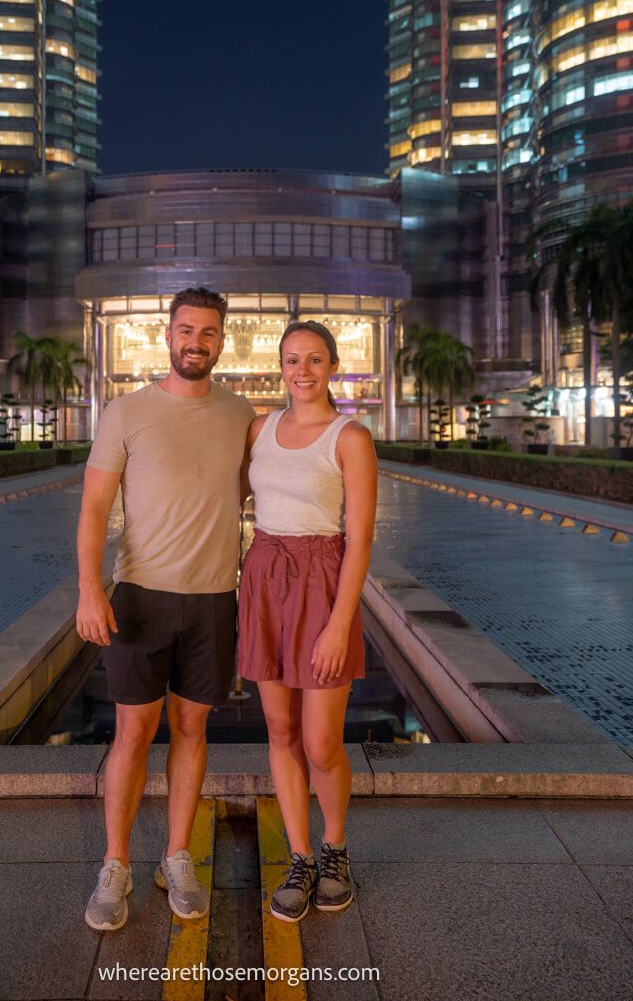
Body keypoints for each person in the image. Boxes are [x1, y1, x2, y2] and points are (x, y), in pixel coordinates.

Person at [76, 286, 254, 932]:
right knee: (131, 734)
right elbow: (95, 508)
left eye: (208, 333)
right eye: (186, 330)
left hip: (213, 601)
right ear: (167, 334)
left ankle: (176, 855)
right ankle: (116, 863)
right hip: (141, 597)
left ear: (221, 341)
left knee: (191, 731)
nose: (195, 343)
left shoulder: (242, 415)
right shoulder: (126, 411)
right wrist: (90, 589)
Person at [238, 320, 377, 923]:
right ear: (281, 365)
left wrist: (339, 623)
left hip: (322, 578)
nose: (302, 370)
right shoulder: (258, 428)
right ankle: (299, 858)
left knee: (322, 743)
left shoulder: (350, 436)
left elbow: (361, 537)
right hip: (265, 573)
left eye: (314, 360)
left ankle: (335, 848)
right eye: (292, 360)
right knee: (280, 730)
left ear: (333, 366)